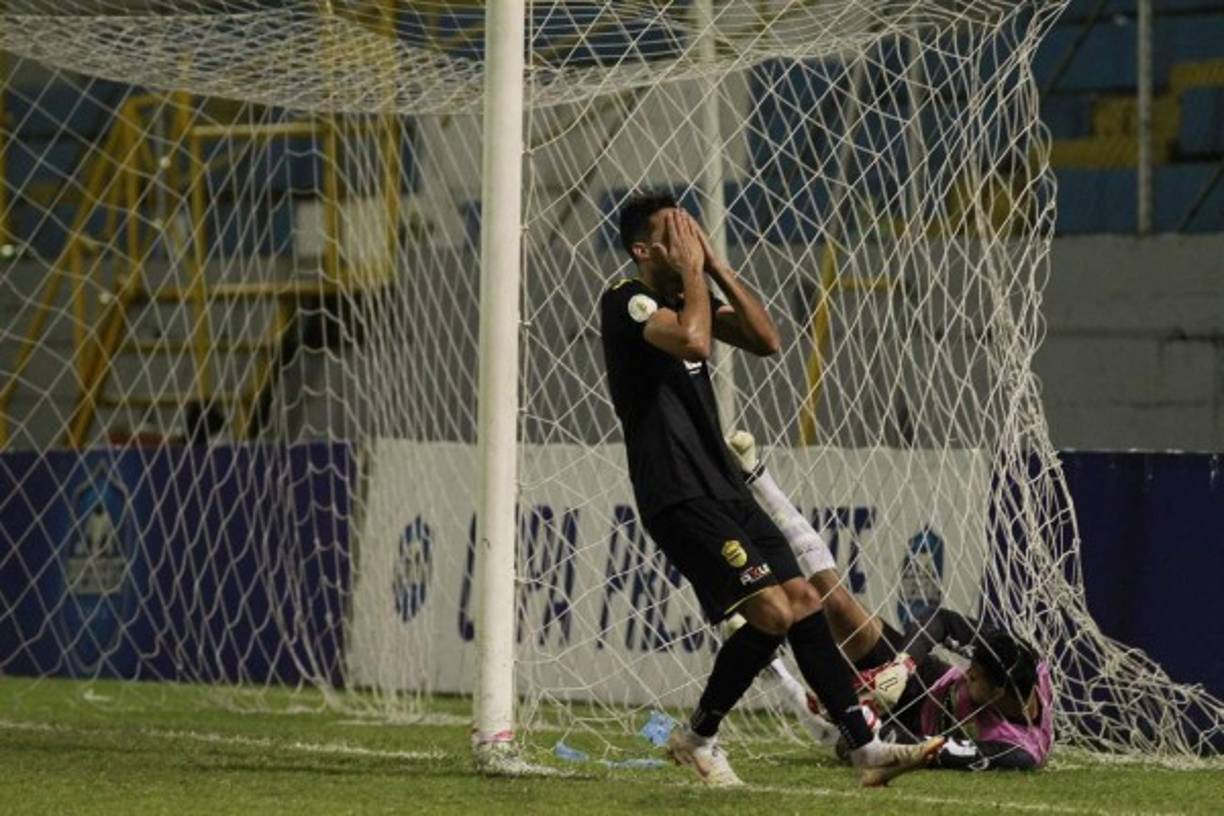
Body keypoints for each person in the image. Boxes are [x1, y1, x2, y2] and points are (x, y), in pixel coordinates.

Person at [599, 192, 943, 787]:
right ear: (643, 250)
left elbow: (766, 339)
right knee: (771, 611)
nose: (688, 241)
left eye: (692, 231)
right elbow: (694, 342)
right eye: (675, 234)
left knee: (804, 600)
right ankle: (700, 736)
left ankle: (864, 748)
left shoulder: (691, 295)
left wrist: (715, 266)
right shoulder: (627, 298)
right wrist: (693, 274)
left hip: (724, 484)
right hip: (678, 490)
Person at [725, 429, 1055, 771]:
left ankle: (775, 669)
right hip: (924, 680)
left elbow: (931, 752)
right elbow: (940, 620)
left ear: (998, 694)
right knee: (836, 602)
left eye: (975, 678)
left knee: (841, 727)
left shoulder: (1015, 750)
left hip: (911, 727)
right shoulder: (1021, 660)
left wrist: (871, 723)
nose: (967, 673)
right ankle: (756, 475)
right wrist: (901, 667)